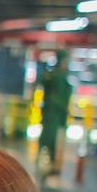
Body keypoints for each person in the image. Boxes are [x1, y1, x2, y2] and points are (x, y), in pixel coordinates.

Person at [38, 49, 72, 184]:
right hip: (53, 115)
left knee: (49, 140)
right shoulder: (58, 77)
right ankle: (49, 166)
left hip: (54, 115)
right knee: (50, 140)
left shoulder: (54, 76)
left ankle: (50, 166)